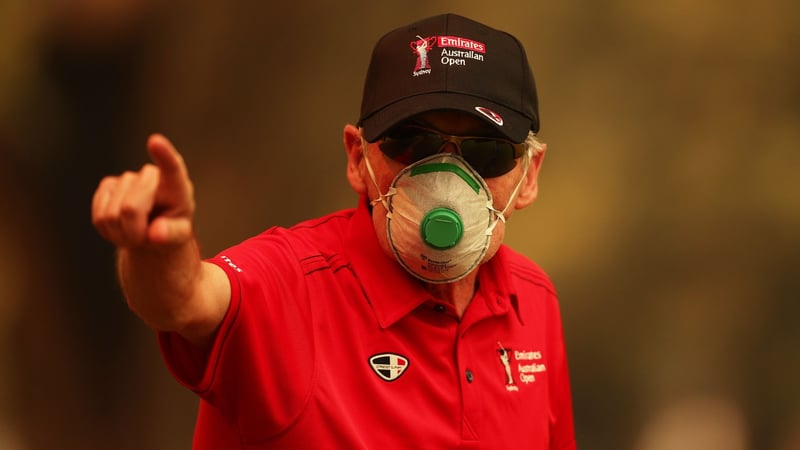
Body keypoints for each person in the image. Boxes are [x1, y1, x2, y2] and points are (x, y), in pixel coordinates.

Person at [91, 13, 576, 450]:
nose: (447, 182)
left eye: (487, 153)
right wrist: (157, 248)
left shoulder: (534, 303)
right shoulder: (287, 285)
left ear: (529, 174)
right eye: (412, 144)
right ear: (357, 157)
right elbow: (183, 299)